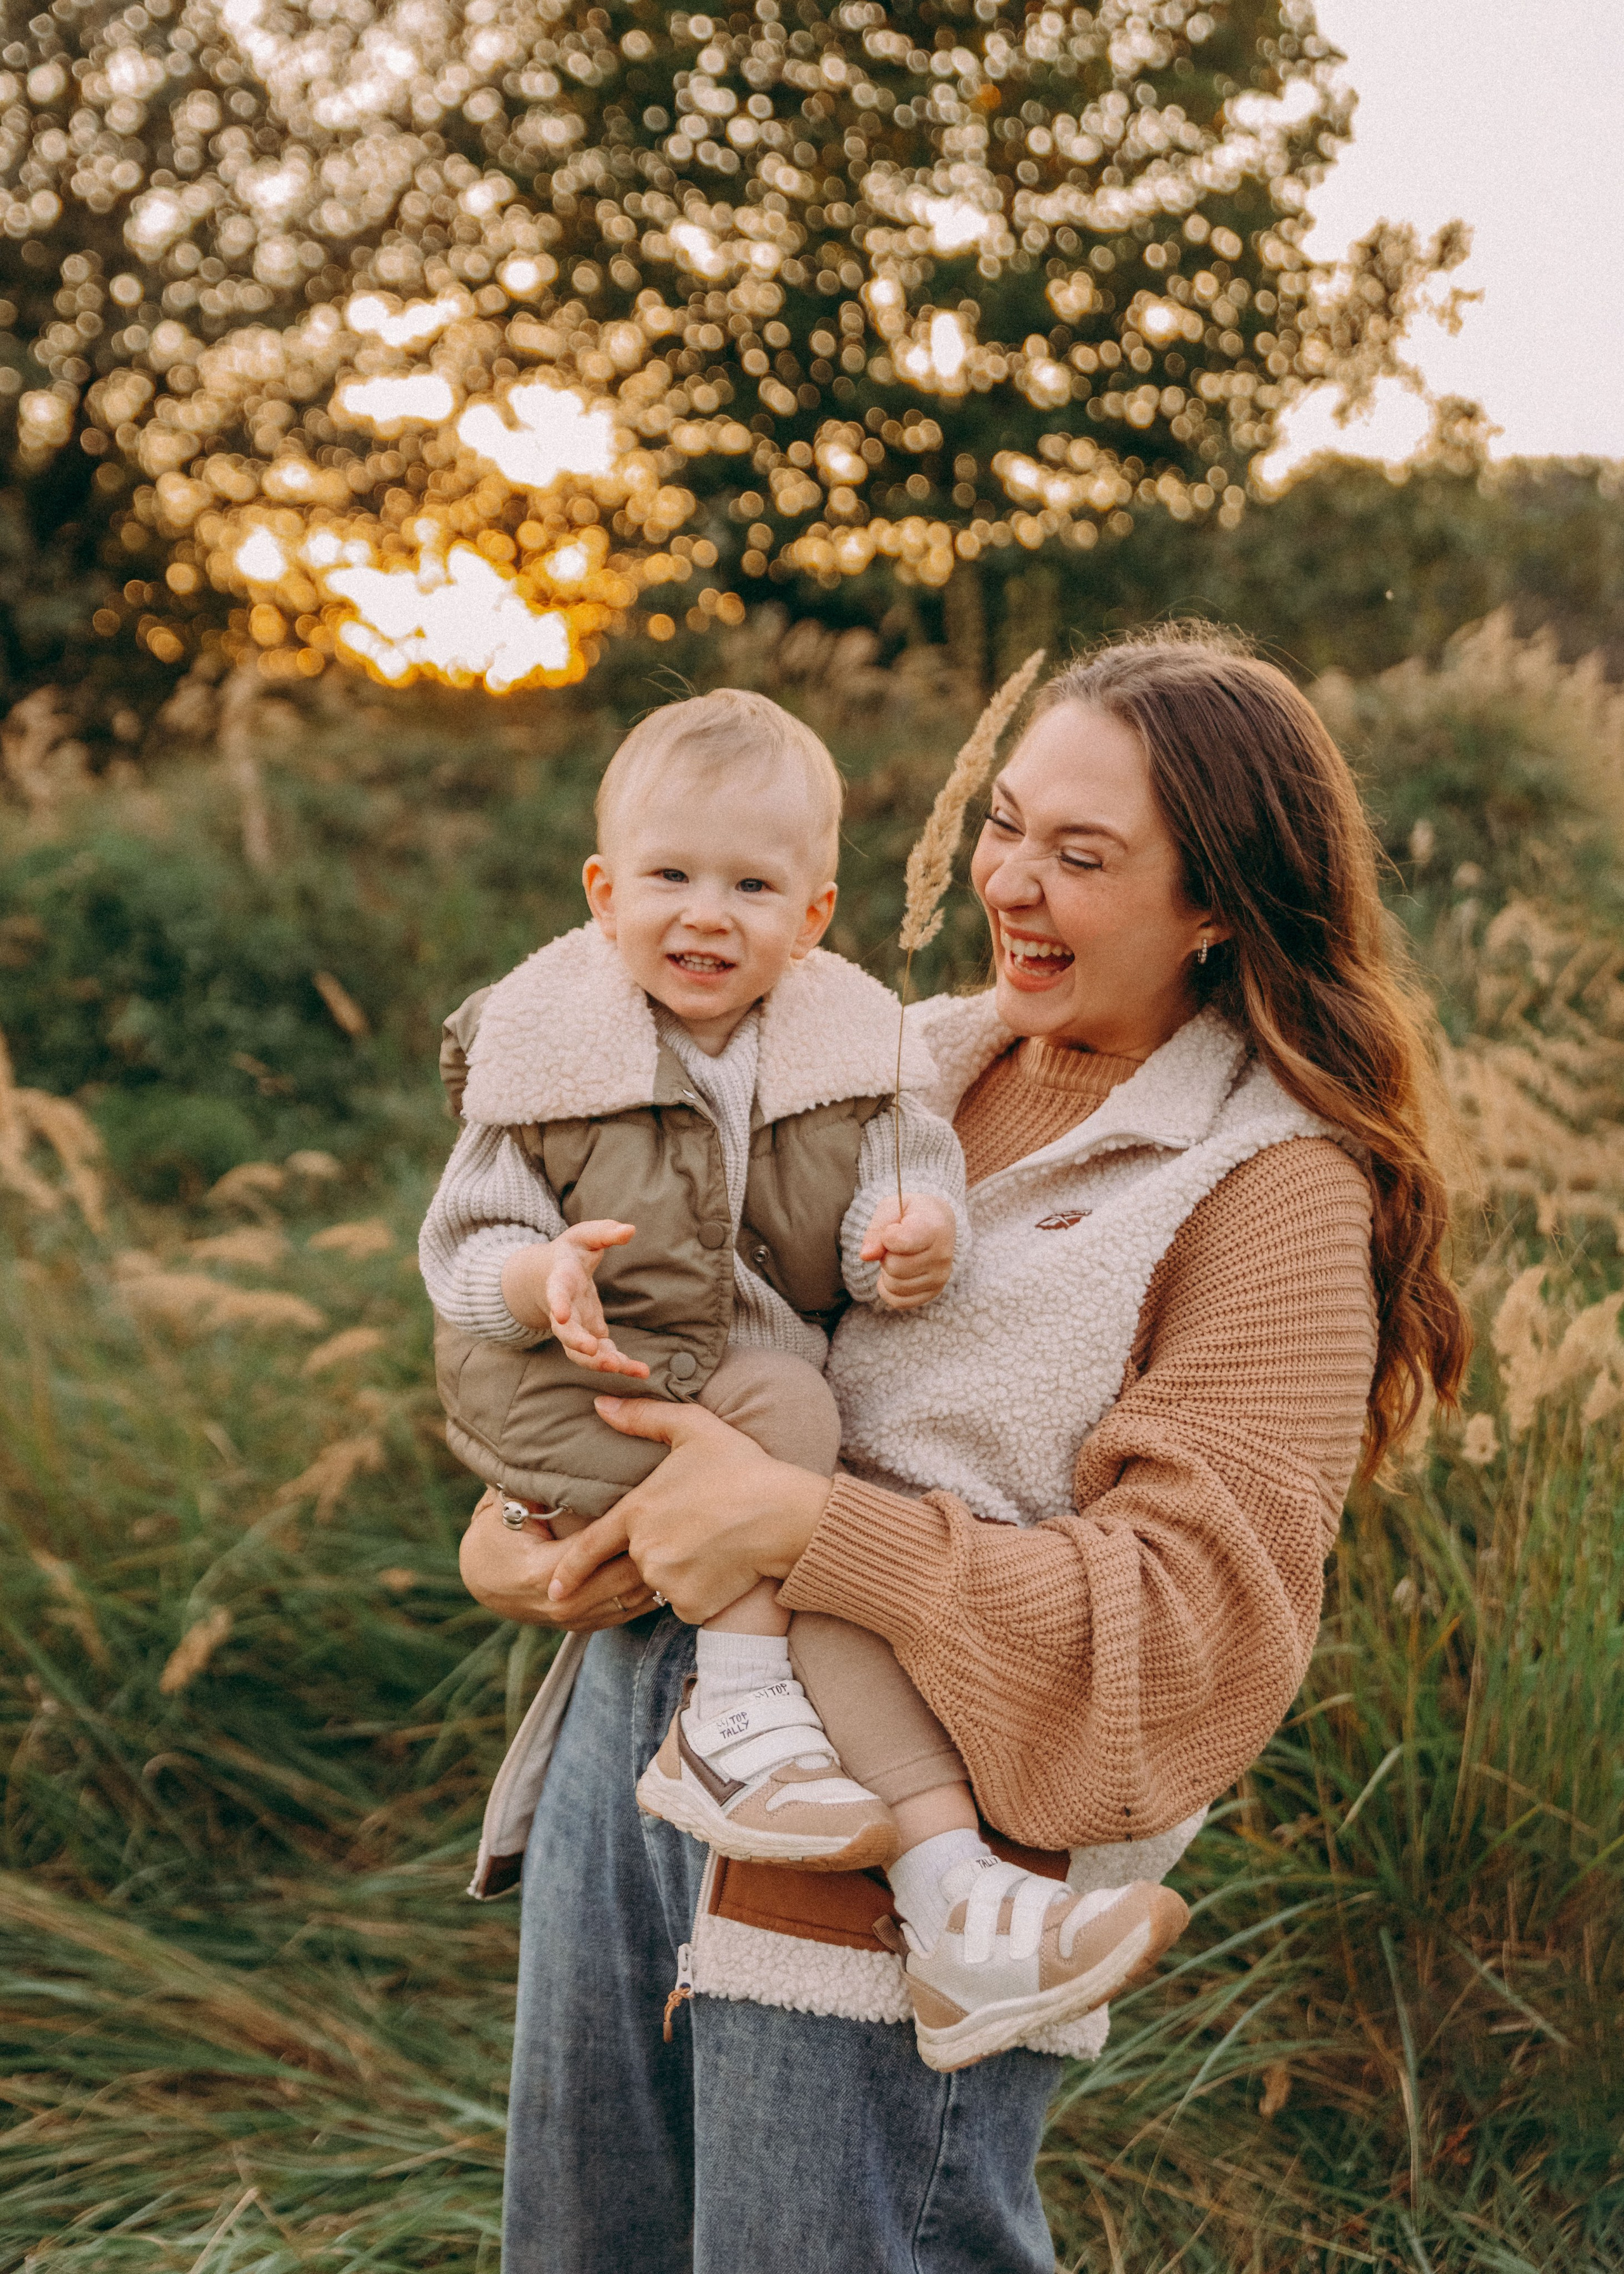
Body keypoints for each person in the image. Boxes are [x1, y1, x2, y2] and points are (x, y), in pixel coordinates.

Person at [462, 628, 1471, 2273]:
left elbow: (1200, 1621)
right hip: (628, 1756)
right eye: (1005, 825)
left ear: (1217, 905)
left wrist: (805, 1531)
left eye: (1082, 854)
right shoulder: (880, 1055)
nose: (1010, 881)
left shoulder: (1269, 1186)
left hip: (907, 1877)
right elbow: (669, 1315)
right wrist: (525, 1526)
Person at [422, 683, 1186, 2075]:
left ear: (815, 914)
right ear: (602, 892)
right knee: (792, 1436)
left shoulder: (851, 1046)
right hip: (564, 1376)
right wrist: (539, 1281)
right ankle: (744, 1726)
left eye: (752, 887)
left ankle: (943, 1888)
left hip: (738, 1416)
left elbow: (892, 1184)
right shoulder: (547, 1045)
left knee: (806, 1477)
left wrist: (911, 1239)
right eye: (669, 877)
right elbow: (460, 1246)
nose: (706, 917)